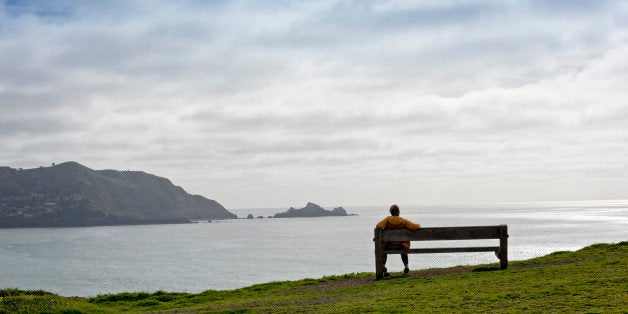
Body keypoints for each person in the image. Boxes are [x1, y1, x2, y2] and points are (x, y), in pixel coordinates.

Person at [375, 204, 420, 277]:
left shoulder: (387, 220)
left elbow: (378, 226)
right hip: (400, 246)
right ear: (398, 212)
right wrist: (419, 225)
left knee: (383, 248)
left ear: (391, 212)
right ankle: (406, 266)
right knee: (404, 247)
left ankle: (383, 266)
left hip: (388, 246)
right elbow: (414, 227)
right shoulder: (403, 221)